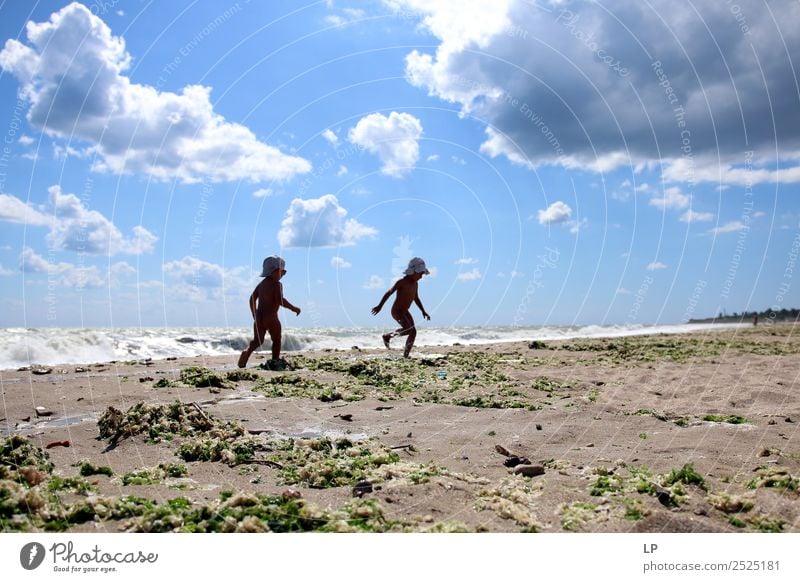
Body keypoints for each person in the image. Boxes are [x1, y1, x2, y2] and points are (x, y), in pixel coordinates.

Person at [238, 256, 301, 369]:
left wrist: (254, 314)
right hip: (271, 318)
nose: (282, 275)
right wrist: (293, 308)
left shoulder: (261, 284)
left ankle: (245, 354)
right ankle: (275, 361)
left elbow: (252, 298)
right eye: (282, 272)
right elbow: (279, 300)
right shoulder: (277, 285)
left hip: (259, 318)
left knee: (257, 341)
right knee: (276, 340)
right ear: (276, 271)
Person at [371, 257, 431, 358]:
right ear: (413, 271)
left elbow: (416, 298)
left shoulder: (415, 284)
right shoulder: (402, 282)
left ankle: (405, 355)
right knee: (408, 329)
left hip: (405, 311)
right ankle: (387, 336)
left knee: (413, 331)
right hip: (397, 311)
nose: (421, 277)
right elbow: (389, 292)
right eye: (420, 274)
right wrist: (380, 306)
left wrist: (423, 311)